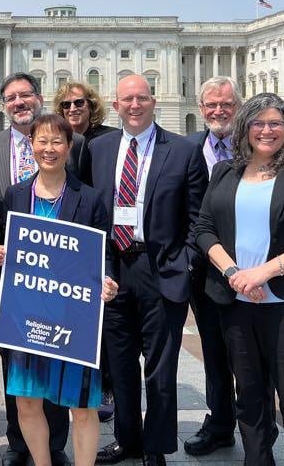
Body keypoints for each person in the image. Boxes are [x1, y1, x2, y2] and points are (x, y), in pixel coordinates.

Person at [194, 93, 284, 466]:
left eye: (275, 123)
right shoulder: (225, 171)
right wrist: (234, 274)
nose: (266, 130)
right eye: (258, 123)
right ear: (244, 129)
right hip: (238, 303)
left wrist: (264, 271)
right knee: (250, 398)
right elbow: (204, 229)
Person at [89, 75, 208, 466]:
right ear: (115, 104)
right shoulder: (99, 149)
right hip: (113, 270)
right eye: (127, 99)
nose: (134, 105)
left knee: (160, 370)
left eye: (141, 98)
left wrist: (185, 263)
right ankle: (128, 440)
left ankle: (156, 446)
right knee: (120, 367)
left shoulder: (183, 149)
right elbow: (92, 214)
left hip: (161, 269)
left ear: (153, 101)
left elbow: (198, 218)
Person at [0, 114, 118, 466]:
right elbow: (5, 245)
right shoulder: (15, 195)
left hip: (74, 319)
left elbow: (102, 253)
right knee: (27, 402)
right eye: (42, 141)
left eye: (57, 141)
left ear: (69, 147)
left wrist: (107, 280)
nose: (49, 148)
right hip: (27, 316)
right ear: (31, 146)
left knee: (82, 405)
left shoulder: (89, 198)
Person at [0, 72, 87, 466]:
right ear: (3, 103)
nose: (19, 102)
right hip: (9, 277)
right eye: (11, 97)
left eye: (25, 95)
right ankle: (18, 441)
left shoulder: (78, 145)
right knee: (15, 358)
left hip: (63, 279)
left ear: (39, 98)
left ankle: (54, 444)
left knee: (58, 351)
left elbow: (86, 206)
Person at [183, 77, 243, 456]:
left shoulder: (256, 146)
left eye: (226, 105)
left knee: (252, 351)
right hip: (204, 269)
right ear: (201, 107)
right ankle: (220, 421)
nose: (218, 111)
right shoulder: (187, 147)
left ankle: (259, 424)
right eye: (211, 105)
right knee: (214, 349)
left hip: (250, 268)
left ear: (238, 106)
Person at [52, 81, 116, 422]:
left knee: (100, 320)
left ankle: (105, 385)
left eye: (79, 103)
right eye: (66, 105)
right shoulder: (58, 138)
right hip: (66, 239)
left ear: (91, 105)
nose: (73, 109)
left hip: (97, 234)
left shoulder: (106, 139)